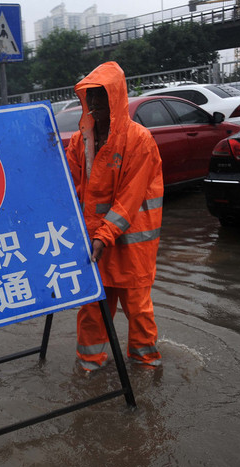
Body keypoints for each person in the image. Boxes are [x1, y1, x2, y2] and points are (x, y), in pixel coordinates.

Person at [64, 61, 164, 371]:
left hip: (132, 244)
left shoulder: (139, 141)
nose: (93, 103)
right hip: (95, 242)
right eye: (90, 96)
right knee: (93, 308)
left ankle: (146, 364)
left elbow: (129, 200)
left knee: (138, 310)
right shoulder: (81, 140)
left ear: (116, 98)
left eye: (100, 96)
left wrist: (103, 236)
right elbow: (68, 184)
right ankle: (88, 365)